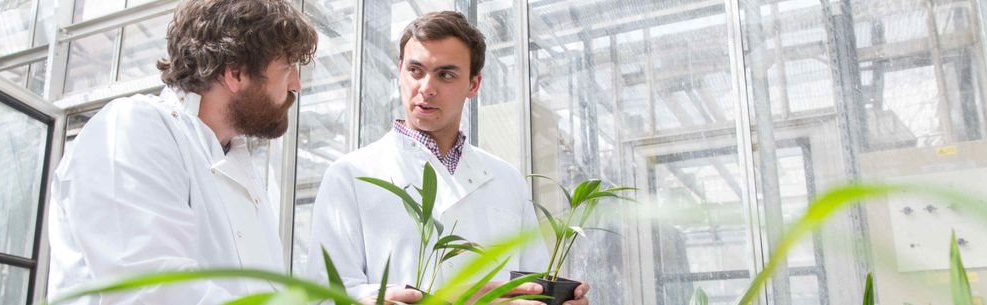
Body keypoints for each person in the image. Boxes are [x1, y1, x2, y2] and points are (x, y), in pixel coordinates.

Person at [306, 11, 590, 305]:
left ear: (473, 85)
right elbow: (326, 295)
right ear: (400, 72)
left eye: (446, 74)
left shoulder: (507, 180)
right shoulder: (350, 175)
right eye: (415, 70)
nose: (427, 88)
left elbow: (532, 287)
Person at [46, 0, 317, 304]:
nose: (296, 84)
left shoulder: (236, 161)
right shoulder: (131, 128)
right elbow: (152, 288)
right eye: (288, 67)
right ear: (236, 73)